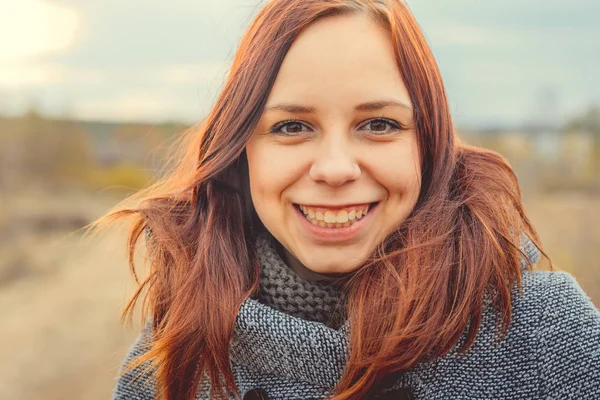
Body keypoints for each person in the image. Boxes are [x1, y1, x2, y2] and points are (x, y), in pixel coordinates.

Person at [100, 0, 600, 399]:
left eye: (378, 124)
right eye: (292, 126)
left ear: (429, 145)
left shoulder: (548, 336)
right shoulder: (178, 353)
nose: (336, 169)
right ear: (240, 152)